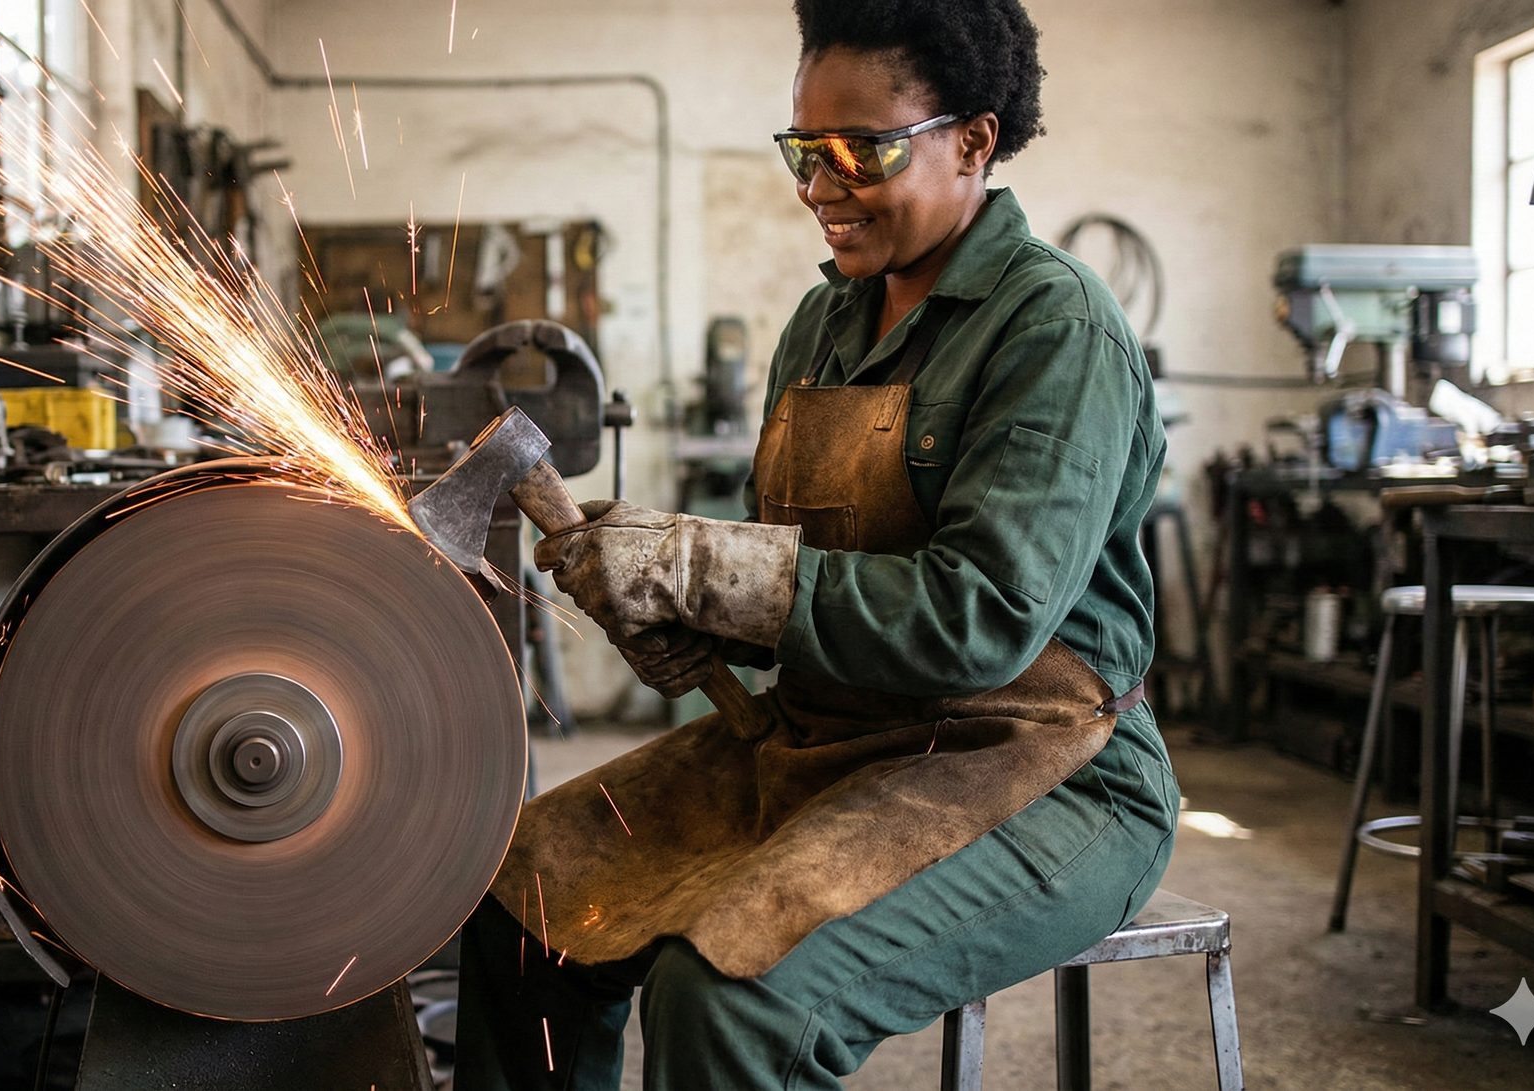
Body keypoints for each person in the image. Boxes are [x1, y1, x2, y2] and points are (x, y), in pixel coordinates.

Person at [455, 0, 1177, 1086]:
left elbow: (975, 616)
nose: (817, 185)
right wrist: (678, 613)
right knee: (521, 898)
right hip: (822, 741)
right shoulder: (826, 319)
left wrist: (697, 565)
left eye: (861, 150)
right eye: (805, 149)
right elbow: (789, 574)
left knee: (733, 1001)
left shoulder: (1053, 329)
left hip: (1034, 767)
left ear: (971, 140)